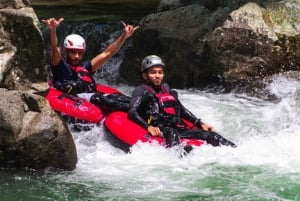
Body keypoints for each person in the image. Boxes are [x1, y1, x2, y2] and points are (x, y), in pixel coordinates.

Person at [128, 55, 236, 150]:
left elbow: (180, 109)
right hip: (161, 129)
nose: (157, 76)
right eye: (153, 72)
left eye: (160, 72)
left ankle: (235, 150)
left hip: (178, 127)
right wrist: (148, 127)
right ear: (144, 75)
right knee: (172, 133)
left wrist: (200, 123)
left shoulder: (166, 89)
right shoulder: (141, 91)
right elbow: (132, 112)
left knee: (213, 136)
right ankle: (180, 158)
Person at [42, 18, 139, 114]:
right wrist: (53, 30)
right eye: (73, 52)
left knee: (131, 101)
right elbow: (55, 49)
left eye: (80, 53)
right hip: (81, 98)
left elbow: (108, 53)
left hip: (94, 95)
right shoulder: (60, 66)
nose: (76, 56)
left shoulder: (86, 67)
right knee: (107, 101)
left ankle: (149, 118)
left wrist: (124, 36)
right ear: (66, 52)